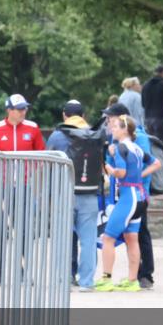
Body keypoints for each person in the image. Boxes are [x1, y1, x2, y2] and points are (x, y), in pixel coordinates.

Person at [102, 102, 163, 289]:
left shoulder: (134, 140)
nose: (108, 122)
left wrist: (128, 175)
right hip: (131, 192)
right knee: (132, 237)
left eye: (111, 119)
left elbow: (127, 169)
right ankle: (133, 278)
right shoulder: (121, 142)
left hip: (132, 193)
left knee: (122, 236)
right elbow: (151, 162)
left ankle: (142, 275)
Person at [46, 100, 103, 292]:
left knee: (62, 238)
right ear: (83, 116)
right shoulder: (94, 135)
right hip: (89, 193)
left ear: (64, 115)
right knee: (88, 240)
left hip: (64, 192)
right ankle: (87, 282)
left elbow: (48, 164)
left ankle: (63, 281)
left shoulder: (56, 136)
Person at [96, 114, 153, 293]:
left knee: (107, 238)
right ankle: (132, 280)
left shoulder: (120, 147)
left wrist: (109, 168)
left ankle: (106, 278)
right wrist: (140, 177)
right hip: (140, 196)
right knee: (132, 238)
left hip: (128, 196)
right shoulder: (136, 147)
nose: (112, 129)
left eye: (115, 127)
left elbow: (120, 172)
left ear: (124, 130)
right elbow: (155, 162)